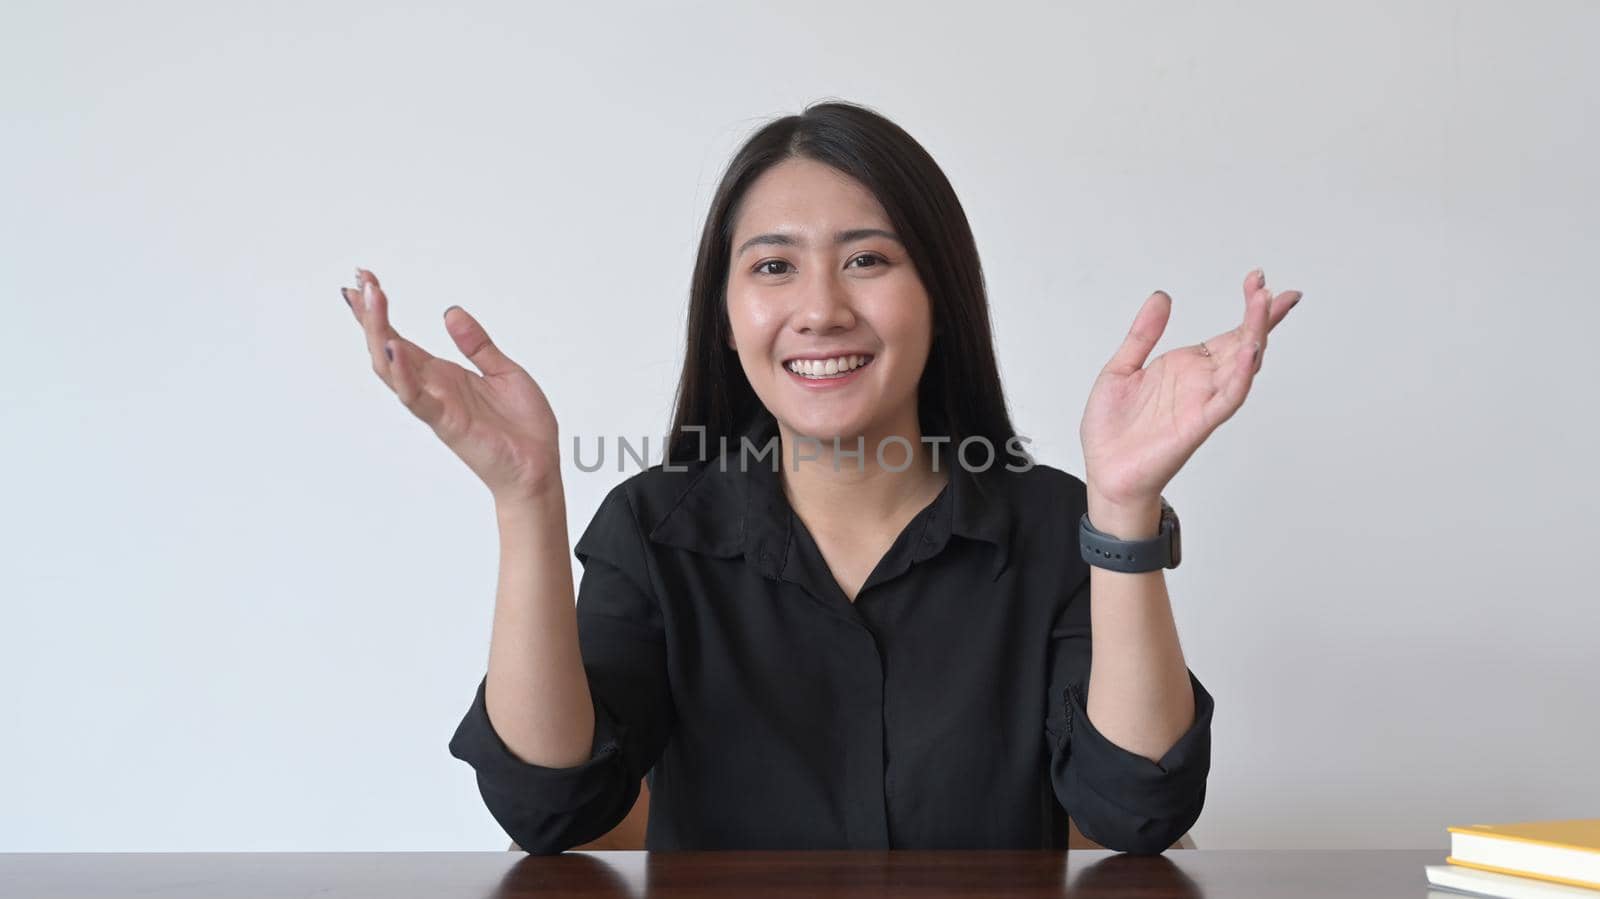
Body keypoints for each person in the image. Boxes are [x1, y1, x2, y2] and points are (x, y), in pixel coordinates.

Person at [339, 100, 1302, 855]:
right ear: (725, 314)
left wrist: (1124, 508)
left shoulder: (1054, 525)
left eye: (868, 260)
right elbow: (548, 806)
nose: (820, 309)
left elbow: (1137, 811)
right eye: (773, 268)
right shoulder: (655, 531)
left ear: (941, 297)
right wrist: (527, 499)